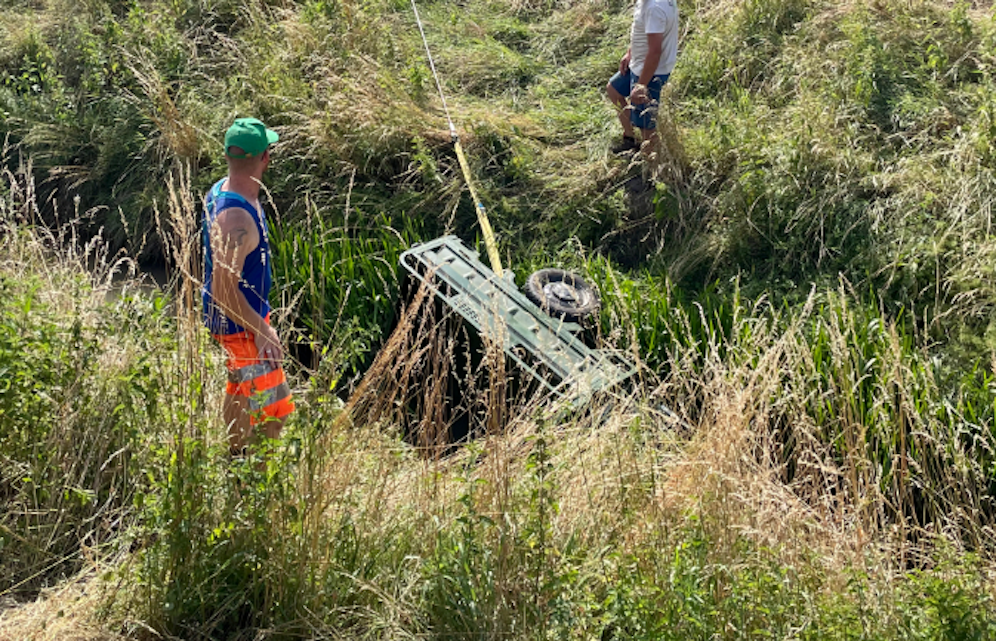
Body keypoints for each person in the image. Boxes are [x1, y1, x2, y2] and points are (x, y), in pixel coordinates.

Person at [202, 117, 294, 456]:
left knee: (240, 387)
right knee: (277, 407)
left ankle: (233, 458)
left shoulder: (224, 188)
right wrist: (262, 331)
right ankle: (254, 484)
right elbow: (223, 290)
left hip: (240, 319)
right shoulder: (236, 219)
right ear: (265, 157)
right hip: (240, 324)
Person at [606, 0, 679, 155]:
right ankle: (630, 140)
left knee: (646, 124)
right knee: (613, 90)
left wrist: (641, 86)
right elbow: (643, 32)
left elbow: (654, 52)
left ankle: (653, 167)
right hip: (638, 65)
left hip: (651, 72)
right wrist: (630, 53)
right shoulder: (646, 2)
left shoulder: (654, 8)